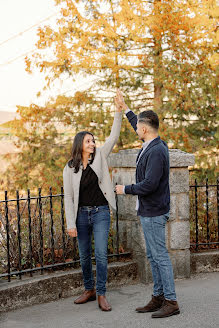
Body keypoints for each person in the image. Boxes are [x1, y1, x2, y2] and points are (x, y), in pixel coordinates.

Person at [115, 91, 180, 318]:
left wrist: (126, 189)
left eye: (138, 127)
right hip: (149, 211)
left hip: (153, 212)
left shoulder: (156, 151)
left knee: (159, 256)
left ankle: (171, 301)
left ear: (145, 129)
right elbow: (137, 121)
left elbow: (150, 184)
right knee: (153, 256)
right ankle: (158, 297)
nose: (136, 129)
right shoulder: (152, 143)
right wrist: (125, 108)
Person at [63, 92, 122, 311]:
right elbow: (68, 197)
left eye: (93, 140)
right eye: (88, 141)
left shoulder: (100, 156)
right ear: (80, 144)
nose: (93, 143)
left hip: (101, 213)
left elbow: (113, 137)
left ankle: (101, 293)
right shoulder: (69, 168)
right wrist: (70, 223)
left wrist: (118, 112)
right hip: (81, 215)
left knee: (101, 255)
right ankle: (88, 290)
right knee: (85, 255)